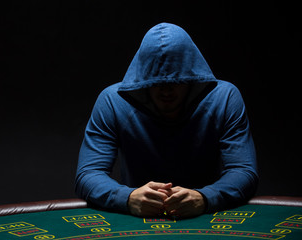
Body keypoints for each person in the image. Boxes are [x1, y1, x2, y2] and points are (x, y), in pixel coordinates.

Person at [75, 23, 258, 218]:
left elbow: (244, 170)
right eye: (157, 82)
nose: (166, 91)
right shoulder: (112, 101)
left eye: (176, 80)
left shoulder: (225, 98)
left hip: (205, 219)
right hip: (138, 220)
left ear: (192, 76)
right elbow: (88, 174)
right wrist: (127, 198)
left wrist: (204, 198)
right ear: (143, 77)